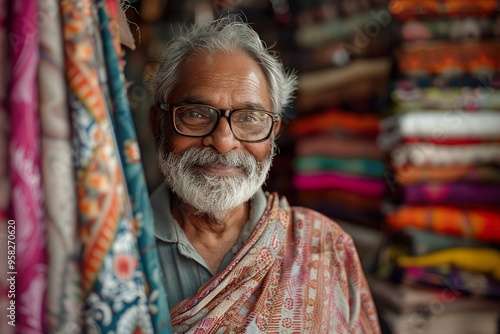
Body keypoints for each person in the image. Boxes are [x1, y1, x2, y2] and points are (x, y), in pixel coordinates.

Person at [147, 15, 381, 333]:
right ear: (157, 124)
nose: (224, 141)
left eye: (250, 118)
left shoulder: (326, 246)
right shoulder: (114, 247)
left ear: (273, 134)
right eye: (196, 114)